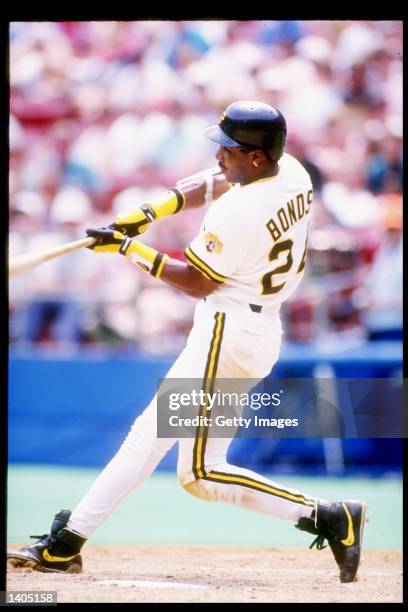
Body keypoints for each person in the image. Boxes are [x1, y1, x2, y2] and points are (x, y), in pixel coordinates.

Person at [8, 101, 366, 583]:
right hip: (247, 327)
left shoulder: (240, 211)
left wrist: (129, 249)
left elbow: (197, 280)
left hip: (229, 332)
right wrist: (153, 210)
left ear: (256, 157)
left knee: (199, 473)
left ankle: (327, 514)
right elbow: (217, 180)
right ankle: (67, 541)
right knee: (150, 437)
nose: (219, 157)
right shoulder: (291, 171)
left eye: (229, 150)